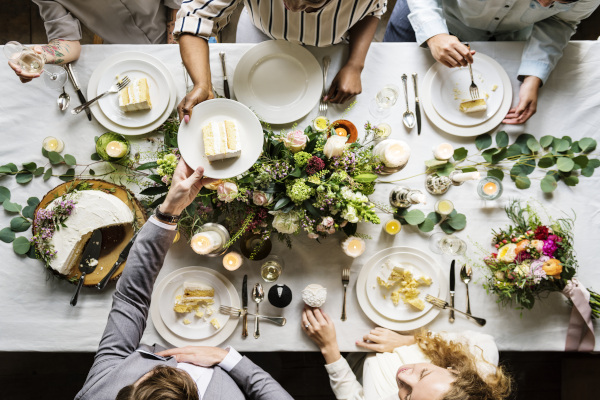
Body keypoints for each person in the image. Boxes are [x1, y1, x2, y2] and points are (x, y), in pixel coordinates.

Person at [75, 159, 293, 400]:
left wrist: (168, 212)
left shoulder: (100, 391)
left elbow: (130, 299)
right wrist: (228, 359)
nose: (167, 361)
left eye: (151, 371)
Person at [384, 0, 600, 124]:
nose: (543, 3)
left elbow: (560, 20)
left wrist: (534, 75)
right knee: (390, 89)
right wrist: (434, 33)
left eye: (557, 2)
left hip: (508, 33)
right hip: (429, 13)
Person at [174, 0, 387, 123]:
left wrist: (355, 64)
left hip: (328, 48)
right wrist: (202, 84)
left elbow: (374, 8)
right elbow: (196, 16)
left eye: (311, 4)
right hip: (260, 34)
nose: (294, 7)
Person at [302, 307, 512, 400]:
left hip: (357, 358)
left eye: (408, 396)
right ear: (455, 371)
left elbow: (350, 396)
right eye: (423, 374)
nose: (401, 376)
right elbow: (485, 340)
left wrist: (329, 347)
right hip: (407, 328)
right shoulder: (480, 368)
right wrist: (407, 340)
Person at [10, 1, 181, 83]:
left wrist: (171, 49)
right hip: (118, 53)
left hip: (177, 33)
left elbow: (176, 4)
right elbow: (67, 41)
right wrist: (42, 55)